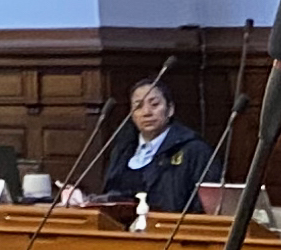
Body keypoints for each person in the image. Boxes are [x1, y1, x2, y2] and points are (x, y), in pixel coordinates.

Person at [62, 79, 209, 213]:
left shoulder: (194, 150)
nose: (146, 112)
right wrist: (87, 200)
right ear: (131, 114)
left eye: (154, 104)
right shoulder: (123, 149)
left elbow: (205, 206)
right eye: (138, 106)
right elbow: (114, 196)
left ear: (170, 109)